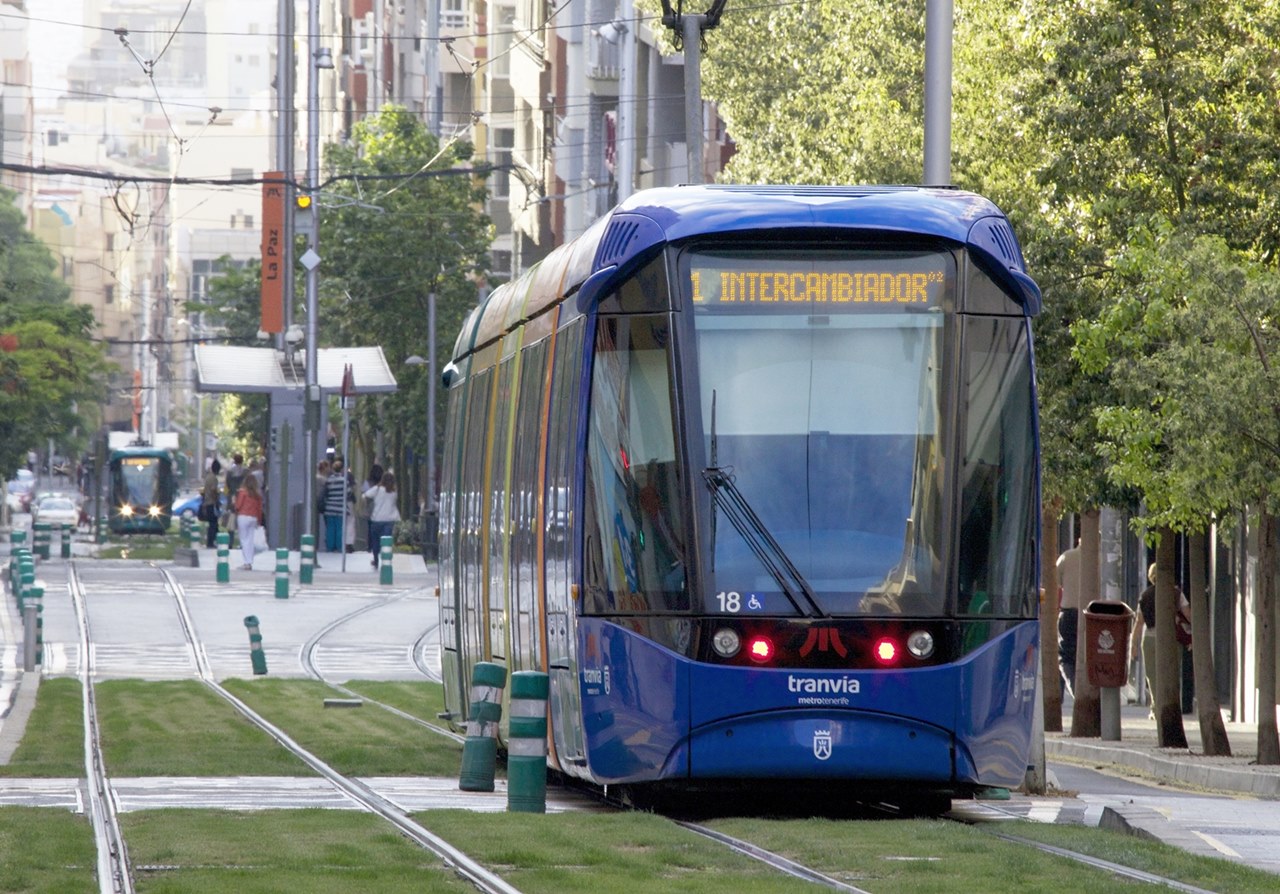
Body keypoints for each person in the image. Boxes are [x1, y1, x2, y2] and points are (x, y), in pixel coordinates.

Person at [1130, 562, 1193, 713]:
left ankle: (1156, 708)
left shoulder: (1145, 595)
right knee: (1171, 674)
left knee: (1152, 676)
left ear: (1151, 577)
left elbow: (1139, 622)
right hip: (1171, 639)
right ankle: (1170, 707)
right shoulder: (1177, 593)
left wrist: (1133, 645)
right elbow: (1189, 615)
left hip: (1150, 638)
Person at [1056, 541, 1082, 698]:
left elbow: (1056, 581)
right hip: (1092, 614)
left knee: (1065, 655)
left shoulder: (1066, 557)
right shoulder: (1103, 559)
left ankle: (1072, 689)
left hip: (1068, 612)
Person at [365, 471, 401, 568]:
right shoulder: (394, 492)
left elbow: (365, 495)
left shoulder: (377, 489)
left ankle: (376, 560)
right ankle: (386, 560)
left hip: (377, 519)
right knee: (386, 542)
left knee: (375, 542)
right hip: (390, 520)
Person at [233, 473, 265, 570]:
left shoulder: (242, 493)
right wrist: (259, 521)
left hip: (243, 517)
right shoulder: (257, 495)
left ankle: (246, 562)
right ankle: (250, 561)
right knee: (250, 540)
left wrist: (234, 502)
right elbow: (259, 509)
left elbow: (238, 506)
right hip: (253, 518)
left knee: (244, 540)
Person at [322, 459, 352, 553]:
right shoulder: (344, 481)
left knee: (330, 528)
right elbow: (349, 494)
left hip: (330, 508)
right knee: (340, 529)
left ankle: (330, 547)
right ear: (342, 469)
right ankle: (339, 547)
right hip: (341, 509)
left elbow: (326, 494)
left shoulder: (329, 480)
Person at [200, 459, 222, 548]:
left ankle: (216, 540)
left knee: (213, 524)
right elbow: (213, 490)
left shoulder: (208, 477)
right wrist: (216, 500)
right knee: (213, 524)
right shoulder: (214, 479)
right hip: (211, 503)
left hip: (207, 502)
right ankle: (210, 542)